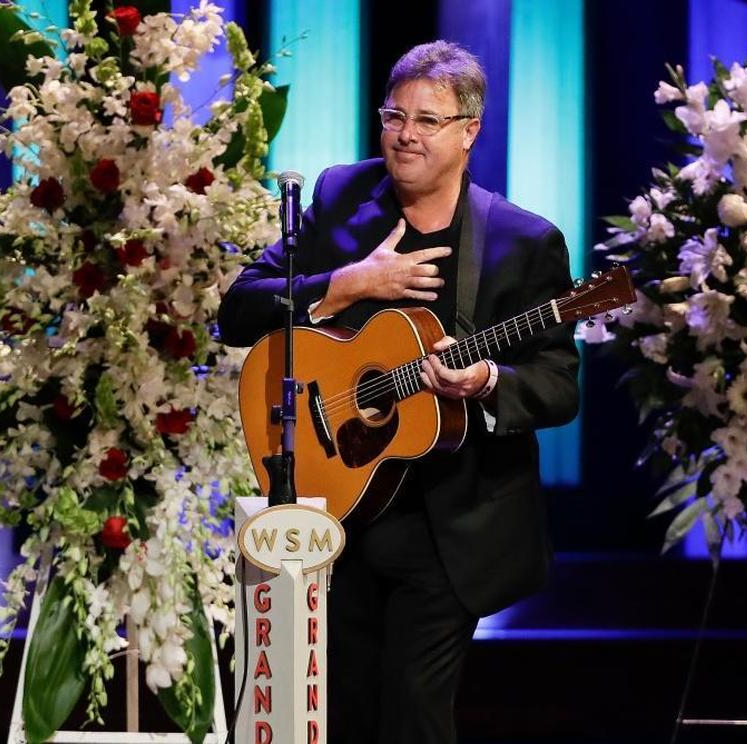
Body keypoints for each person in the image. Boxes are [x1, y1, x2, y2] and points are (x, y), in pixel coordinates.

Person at [218, 40, 579, 744]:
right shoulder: (338, 196)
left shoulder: (522, 242)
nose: (405, 134)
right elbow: (238, 312)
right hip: (338, 511)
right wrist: (344, 284)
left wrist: (485, 381)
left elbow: (559, 386)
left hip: (454, 527)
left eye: (427, 120)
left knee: (413, 715)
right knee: (339, 712)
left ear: (469, 132)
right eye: (394, 115)